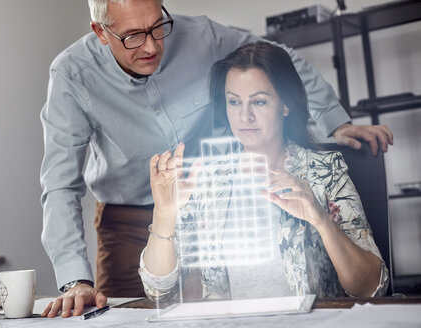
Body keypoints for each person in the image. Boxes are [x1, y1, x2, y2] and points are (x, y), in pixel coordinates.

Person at [40, 0, 393, 317]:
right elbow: (59, 184)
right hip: (132, 216)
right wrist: (76, 281)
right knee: (128, 316)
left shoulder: (203, 36)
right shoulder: (72, 75)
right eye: (133, 35)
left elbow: (273, 62)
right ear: (101, 33)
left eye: (157, 26)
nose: (150, 45)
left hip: (200, 192)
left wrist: (336, 121)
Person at [140, 42, 389, 300]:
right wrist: (164, 213)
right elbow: (159, 291)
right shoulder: (204, 179)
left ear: (285, 105)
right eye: (234, 102)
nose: (244, 116)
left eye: (259, 102)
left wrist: (321, 219)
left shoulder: (324, 171)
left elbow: (372, 287)